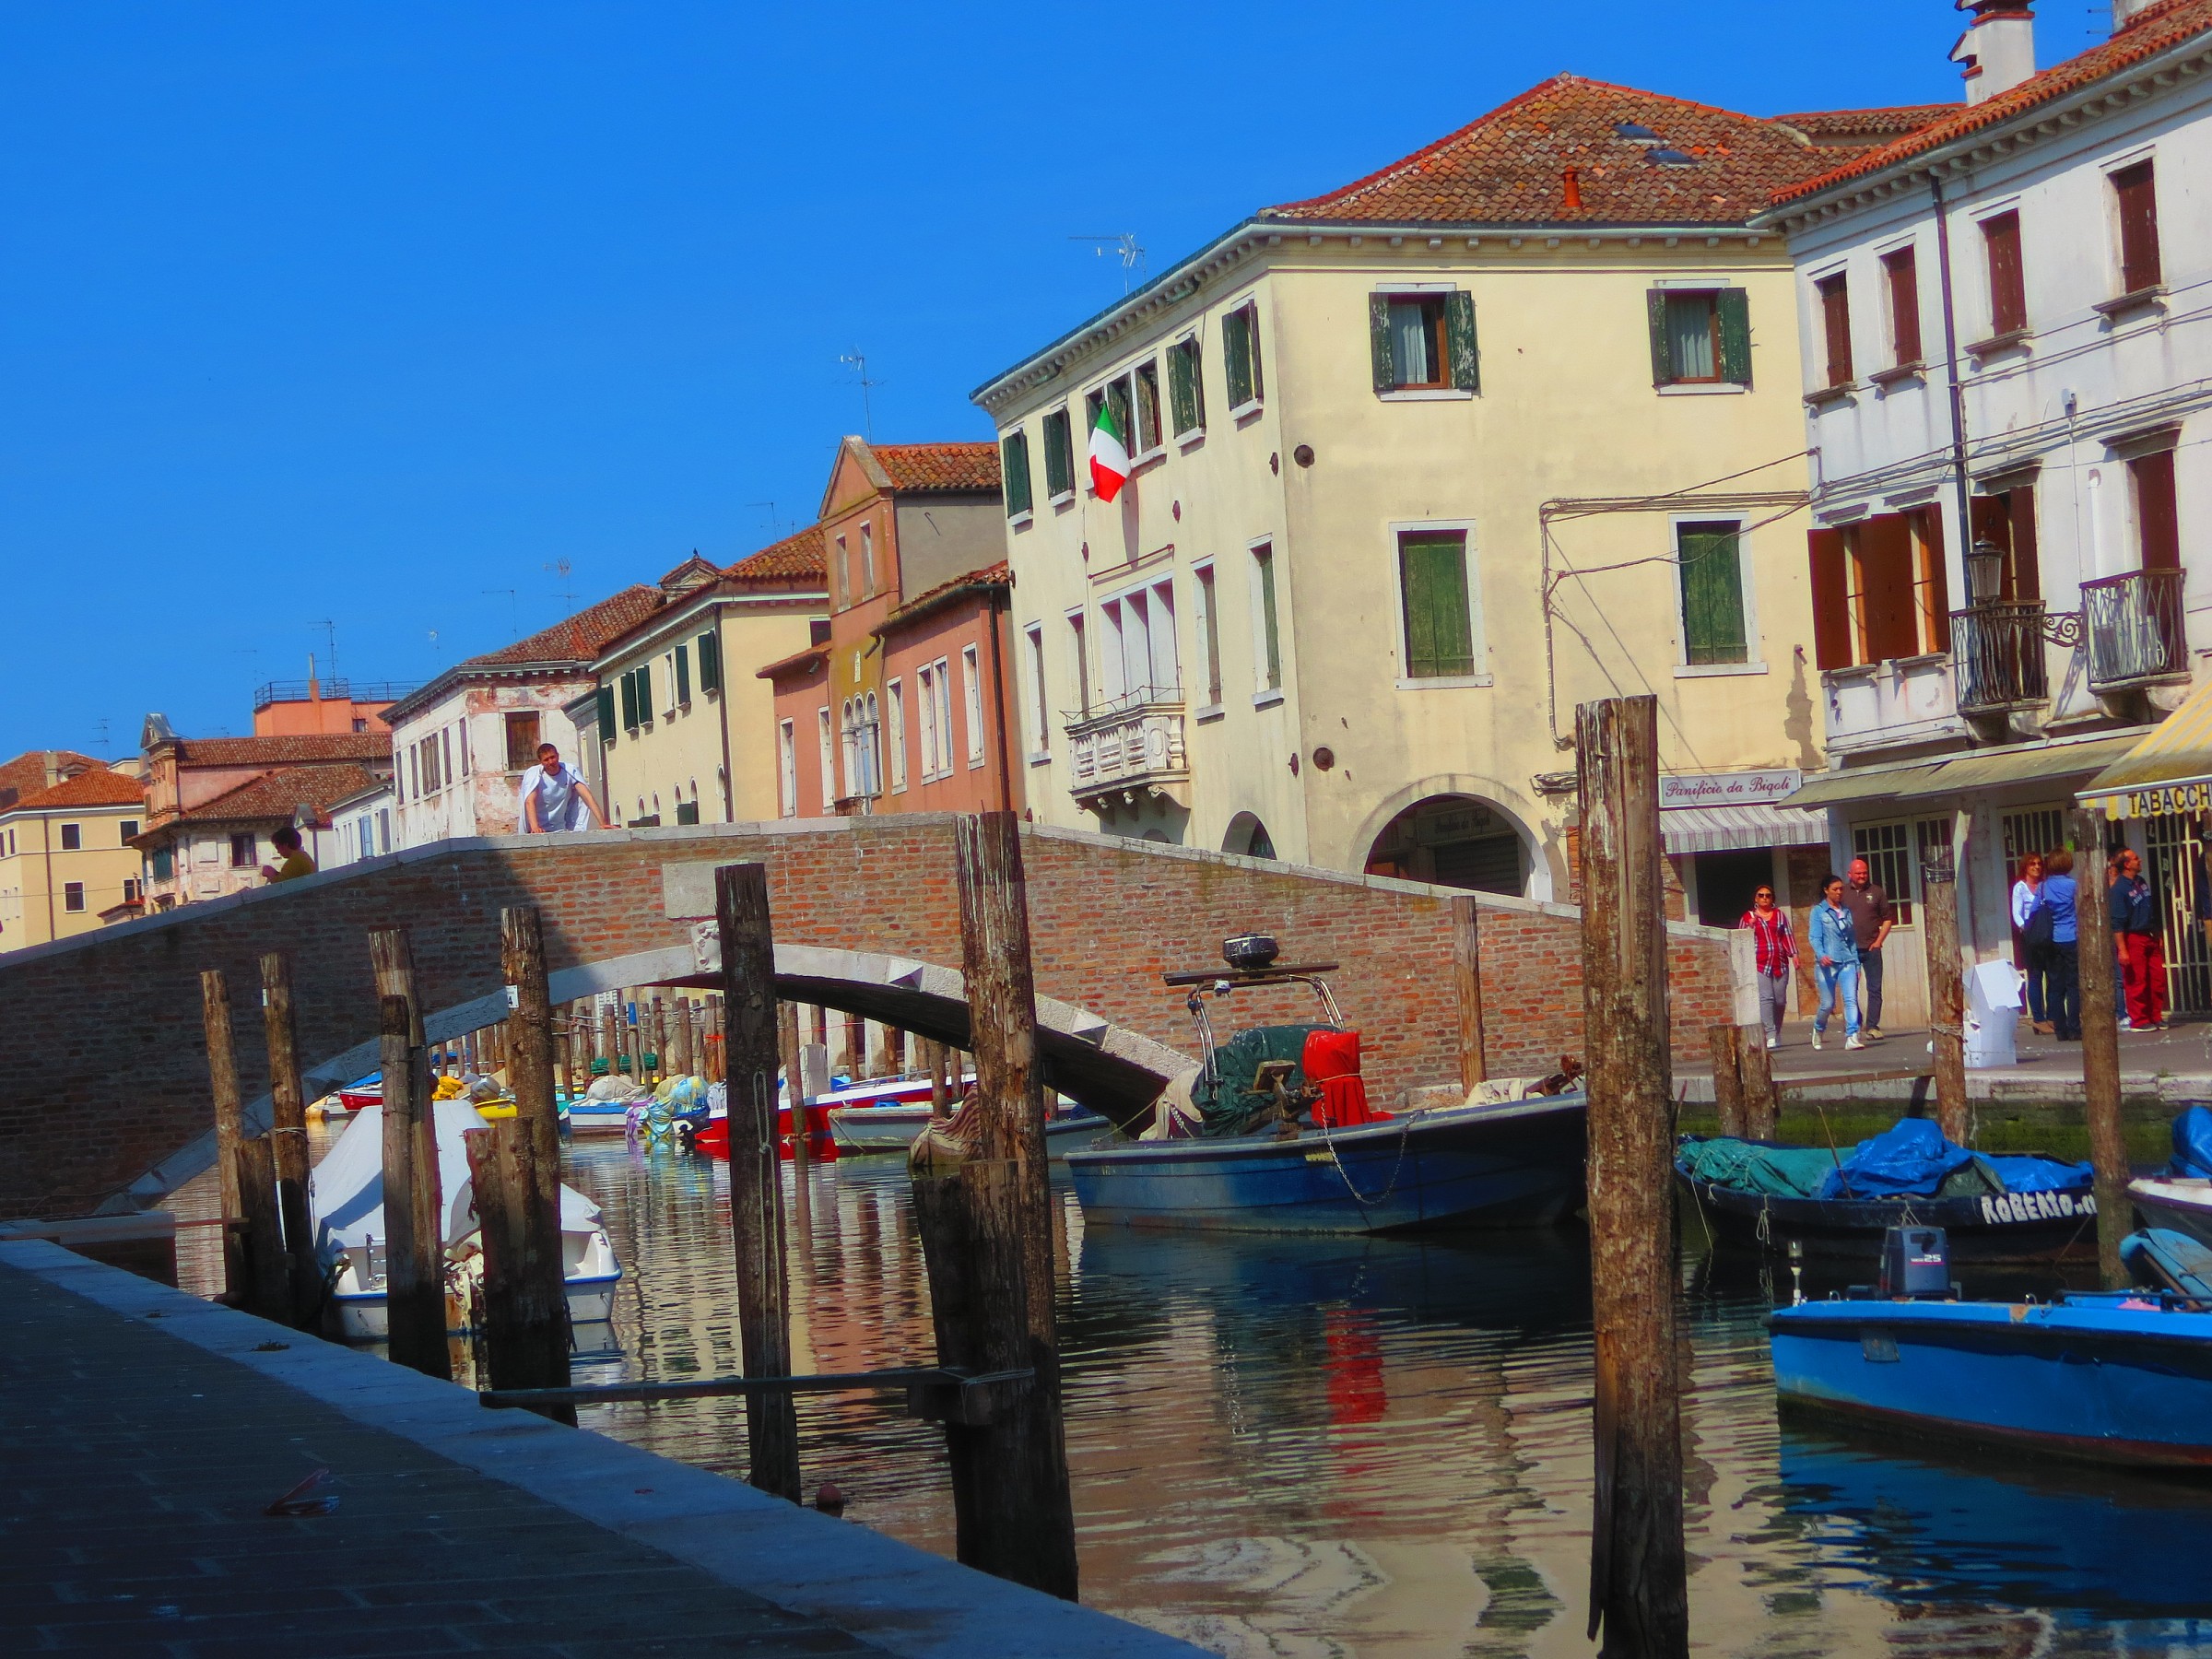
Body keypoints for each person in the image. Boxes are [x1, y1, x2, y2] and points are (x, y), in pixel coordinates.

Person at [2112, 847, 2169, 1032]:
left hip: (2148, 935)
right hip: (2133, 937)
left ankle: (2155, 1016)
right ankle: (2139, 1019)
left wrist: (2157, 933)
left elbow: (2149, 908)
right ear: (2127, 864)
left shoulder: (2140, 881)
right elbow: (2117, 922)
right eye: (2136, 858)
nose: (2140, 860)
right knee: (2136, 980)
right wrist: (2122, 949)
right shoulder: (2119, 889)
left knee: (2156, 978)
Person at [1841, 857, 1895, 1041]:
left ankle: (1872, 1026)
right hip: (1850, 950)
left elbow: (1887, 919)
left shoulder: (1876, 892)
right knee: (1850, 990)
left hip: (1872, 948)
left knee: (1874, 988)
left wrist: (1879, 941)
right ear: (1850, 874)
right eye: (1858, 873)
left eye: (1864, 872)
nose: (1862, 876)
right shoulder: (1842, 893)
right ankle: (1854, 1024)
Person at [1810, 874, 1865, 1052]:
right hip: (1827, 963)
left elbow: (1852, 940)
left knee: (1850, 999)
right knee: (1828, 1004)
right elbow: (1815, 937)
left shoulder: (1846, 911)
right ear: (1826, 890)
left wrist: (1857, 964)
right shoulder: (1818, 911)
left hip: (1847, 961)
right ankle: (1818, 1028)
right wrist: (1821, 955)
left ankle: (1852, 1036)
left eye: (1841, 889)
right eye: (1835, 889)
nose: (1839, 892)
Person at [1740, 884, 1796, 1051]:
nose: (1764, 898)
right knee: (1766, 998)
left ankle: (1776, 1031)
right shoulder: (1748, 917)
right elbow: (1741, 939)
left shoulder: (1779, 915)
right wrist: (1750, 926)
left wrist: (1794, 954)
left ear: (1772, 898)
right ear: (1755, 899)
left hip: (1780, 962)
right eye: (1761, 895)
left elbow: (1787, 935)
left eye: (1768, 895)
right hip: (1760, 963)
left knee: (1780, 1000)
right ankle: (1769, 1034)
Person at [518, 743, 606, 833]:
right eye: (546, 760)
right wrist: (535, 827)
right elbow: (529, 802)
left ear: (558, 756)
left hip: (559, 828)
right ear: (541, 762)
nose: (551, 762)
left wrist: (602, 823)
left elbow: (587, 796)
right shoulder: (535, 776)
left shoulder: (569, 771)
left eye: (552, 757)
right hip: (539, 830)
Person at [2011, 853, 2053, 1035]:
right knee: (2035, 977)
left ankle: (2052, 1017)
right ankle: (2038, 1018)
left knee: (2052, 977)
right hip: (2031, 937)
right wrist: (2026, 929)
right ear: (2025, 867)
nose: (2036, 867)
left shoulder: (2045, 886)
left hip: (2047, 935)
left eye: (2039, 864)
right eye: (2032, 864)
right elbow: (2016, 913)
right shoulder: (2020, 888)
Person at [2042, 849, 2081, 1041]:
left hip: (2052, 940)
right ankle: (2074, 1027)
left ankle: (2060, 1029)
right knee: (2074, 985)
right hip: (2072, 937)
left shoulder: (2044, 887)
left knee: (2056, 987)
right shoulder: (2074, 885)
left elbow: (2034, 911)